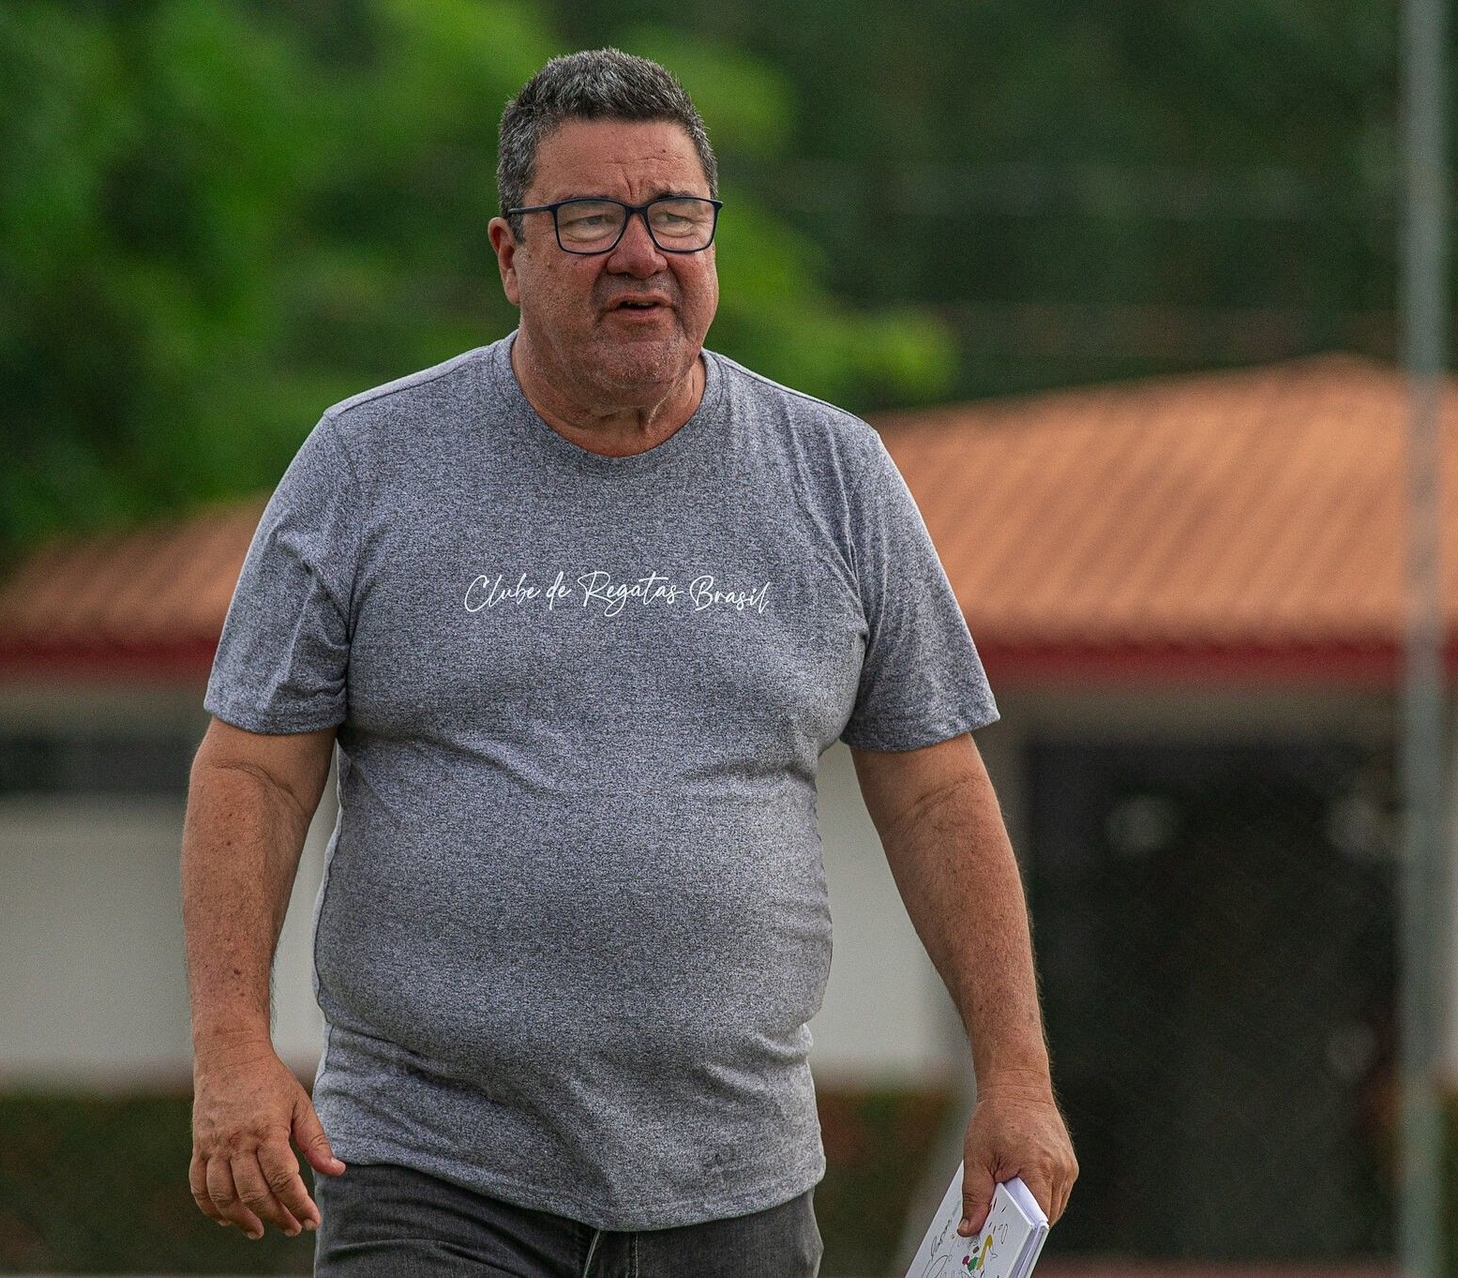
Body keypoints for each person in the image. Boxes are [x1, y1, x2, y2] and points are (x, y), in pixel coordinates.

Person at [181, 47, 1077, 1278]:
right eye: (591, 218)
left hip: (737, 1187)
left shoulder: (835, 476)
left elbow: (936, 793)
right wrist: (233, 1048)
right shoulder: (366, 465)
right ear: (509, 254)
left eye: (676, 215)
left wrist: (1016, 1076)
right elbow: (253, 777)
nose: (641, 253)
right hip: (435, 1177)